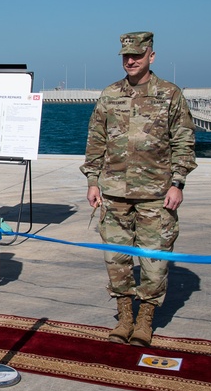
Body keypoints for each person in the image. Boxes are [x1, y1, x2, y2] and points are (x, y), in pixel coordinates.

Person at [80, 32, 197, 347]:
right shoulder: (110, 94)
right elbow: (97, 139)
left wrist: (178, 182)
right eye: (125, 56)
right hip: (115, 192)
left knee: (154, 260)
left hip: (156, 194)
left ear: (151, 56)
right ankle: (125, 317)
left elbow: (183, 140)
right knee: (116, 260)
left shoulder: (170, 94)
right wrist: (92, 180)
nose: (131, 61)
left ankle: (145, 318)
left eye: (137, 55)